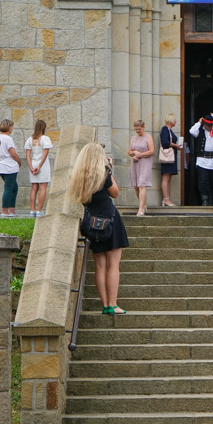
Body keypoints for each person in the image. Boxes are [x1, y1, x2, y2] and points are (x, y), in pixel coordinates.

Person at [68, 142, 129, 315]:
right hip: (110, 221)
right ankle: (113, 304)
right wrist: (110, 169)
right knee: (113, 265)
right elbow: (115, 193)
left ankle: (105, 304)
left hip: (92, 224)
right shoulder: (104, 173)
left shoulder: (79, 176)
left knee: (100, 266)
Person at [189, 113, 213, 206]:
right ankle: (205, 199)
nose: (209, 127)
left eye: (211, 125)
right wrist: (199, 122)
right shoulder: (199, 130)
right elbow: (192, 131)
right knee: (203, 181)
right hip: (202, 160)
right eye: (208, 125)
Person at [24, 119, 53, 217]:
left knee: (34, 187)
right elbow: (45, 153)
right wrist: (40, 166)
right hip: (43, 164)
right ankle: (39, 210)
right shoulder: (45, 138)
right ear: (43, 128)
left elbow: (27, 154)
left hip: (33, 162)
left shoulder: (29, 139)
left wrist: (31, 167)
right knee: (43, 187)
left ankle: (32, 210)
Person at [128, 119, 154, 216]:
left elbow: (151, 151)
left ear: (143, 127)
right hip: (135, 162)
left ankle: (141, 209)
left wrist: (140, 155)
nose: (138, 131)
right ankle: (143, 204)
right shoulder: (133, 138)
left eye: (139, 129)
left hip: (145, 162)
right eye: (136, 129)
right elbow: (129, 151)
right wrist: (134, 153)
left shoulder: (148, 137)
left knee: (142, 184)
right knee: (135, 186)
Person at [0, 119, 20, 218]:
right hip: (9, 166)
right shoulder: (8, 139)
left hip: (1, 166)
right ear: (9, 127)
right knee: (9, 188)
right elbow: (13, 153)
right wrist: (19, 161)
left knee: (14, 187)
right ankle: (5, 210)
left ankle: (12, 209)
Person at [159, 113, 182, 207]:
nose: (176, 121)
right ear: (171, 120)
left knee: (168, 177)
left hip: (171, 157)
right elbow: (165, 142)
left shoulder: (169, 130)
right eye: (175, 120)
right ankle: (166, 199)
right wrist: (175, 145)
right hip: (168, 157)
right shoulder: (165, 129)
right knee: (166, 177)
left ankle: (167, 198)